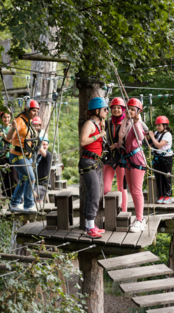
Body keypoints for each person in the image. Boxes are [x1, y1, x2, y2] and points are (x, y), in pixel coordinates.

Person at [79, 97, 108, 239]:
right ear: (96, 111)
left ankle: (89, 225)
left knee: (93, 194)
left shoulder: (98, 124)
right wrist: (99, 135)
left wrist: (101, 131)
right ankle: (90, 227)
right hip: (88, 163)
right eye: (104, 109)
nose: (107, 111)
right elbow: (83, 142)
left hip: (95, 163)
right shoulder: (89, 124)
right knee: (94, 195)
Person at [6, 100, 40, 212]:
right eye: (34, 111)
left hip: (26, 156)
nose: (36, 113)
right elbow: (8, 138)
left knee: (24, 180)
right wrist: (13, 128)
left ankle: (15, 203)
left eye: (37, 111)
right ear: (27, 110)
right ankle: (28, 204)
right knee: (31, 178)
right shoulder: (19, 121)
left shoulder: (29, 121)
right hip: (17, 155)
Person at [119, 98, 146, 232]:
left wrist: (136, 122)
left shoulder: (137, 123)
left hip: (137, 159)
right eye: (128, 109)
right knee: (132, 191)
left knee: (136, 191)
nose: (130, 111)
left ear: (137, 112)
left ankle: (140, 220)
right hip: (128, 159)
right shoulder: (125, 122)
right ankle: (140, 218)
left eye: (133, 110)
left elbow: (140, 137)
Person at [103, 97, 128, 212]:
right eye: (114, 108)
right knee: (106, 188)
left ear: (123, 109)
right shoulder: (107, 123)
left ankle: (123, 212)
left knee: (122, 188)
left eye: (119, 108)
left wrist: (117, 145)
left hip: (122, 158)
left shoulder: (127, 122)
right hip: (109, 157)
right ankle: (111, 211)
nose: (116, 110)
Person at [0, 109, 19, 197]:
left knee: (14, 178)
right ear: (1, 118)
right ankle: (6, 197)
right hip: (2, 156)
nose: (6, 119)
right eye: (4, 117)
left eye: (8, 117)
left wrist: (1, 135)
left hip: (13, 156)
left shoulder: (13, 127)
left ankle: (17, 197)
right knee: (4, 179)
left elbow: (11, 140)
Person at [149, 116, 173, 204]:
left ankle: (168, 196)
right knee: (159, 177)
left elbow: (159, 145)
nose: (157, 127)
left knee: (166, 176)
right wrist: (148, 137)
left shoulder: (167, 135)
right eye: (157, 125)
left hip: (166, 158)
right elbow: (151, 145)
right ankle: (162, 195)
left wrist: (152, 136)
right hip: (158, 157)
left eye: (159, 125)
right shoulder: (157, 133)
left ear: (165, 126)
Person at [31, 116, 51, 202]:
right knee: (38, 201)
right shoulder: (34, 155)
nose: (45, 146)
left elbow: (39, 148)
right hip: (36, 184)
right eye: (43, 144)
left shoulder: (48, 155)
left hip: (43, 185)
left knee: (30, 196)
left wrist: (35, 137)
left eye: (46, 145)